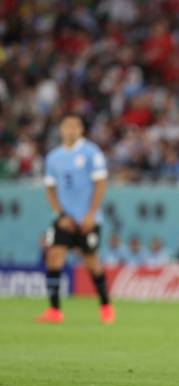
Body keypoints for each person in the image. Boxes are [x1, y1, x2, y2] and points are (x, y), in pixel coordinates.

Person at [38, 114, 114, 324]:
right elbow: (50, 188)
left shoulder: (91, 153)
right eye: (66, 126)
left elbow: (100, 184)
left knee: (92, 263)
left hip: (88, 220)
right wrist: (59, 214)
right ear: (61, 129)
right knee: (54, 257)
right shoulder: (53, 157)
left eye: (74, 126)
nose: (70, 130)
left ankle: (106, 306)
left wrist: (91, 214)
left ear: (81, 129)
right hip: (64, 220)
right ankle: (54, 311)